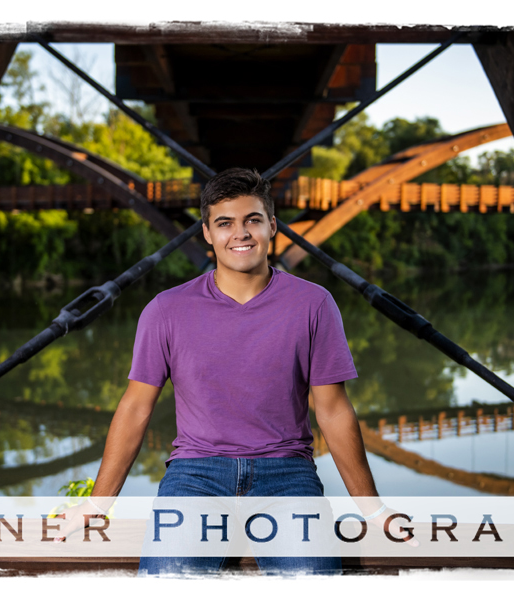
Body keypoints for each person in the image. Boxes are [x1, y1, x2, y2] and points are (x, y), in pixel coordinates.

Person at [56, 168, 405, 575]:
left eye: (252, 220)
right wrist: (98, 503)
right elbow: (135, 407)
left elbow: (333, 410)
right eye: (224, 223)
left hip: (287, 473)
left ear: (272, 225)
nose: (240, 233)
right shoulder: (166, 310)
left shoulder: (314, 304)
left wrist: (372, 507)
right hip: (195, 474)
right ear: (207, 233)